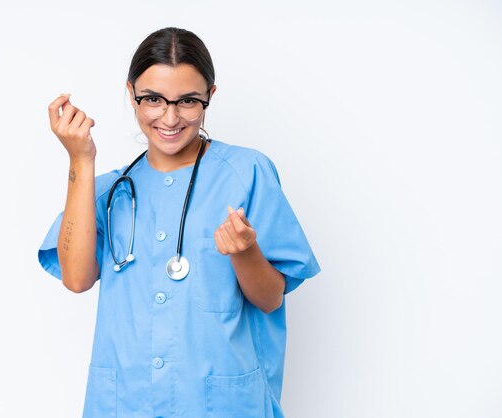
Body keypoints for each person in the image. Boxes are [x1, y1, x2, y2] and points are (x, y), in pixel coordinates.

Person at [38, 27, 320, 418]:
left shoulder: (246, 172)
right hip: (126, 402)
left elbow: (270, 297)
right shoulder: (109, 191)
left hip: (219, 405)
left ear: (209, 97)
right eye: (153, 99)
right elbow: (77, 279)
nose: (169, 117)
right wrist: (81, 160)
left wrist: (245, 252)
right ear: (131, 92)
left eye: (187, 101)